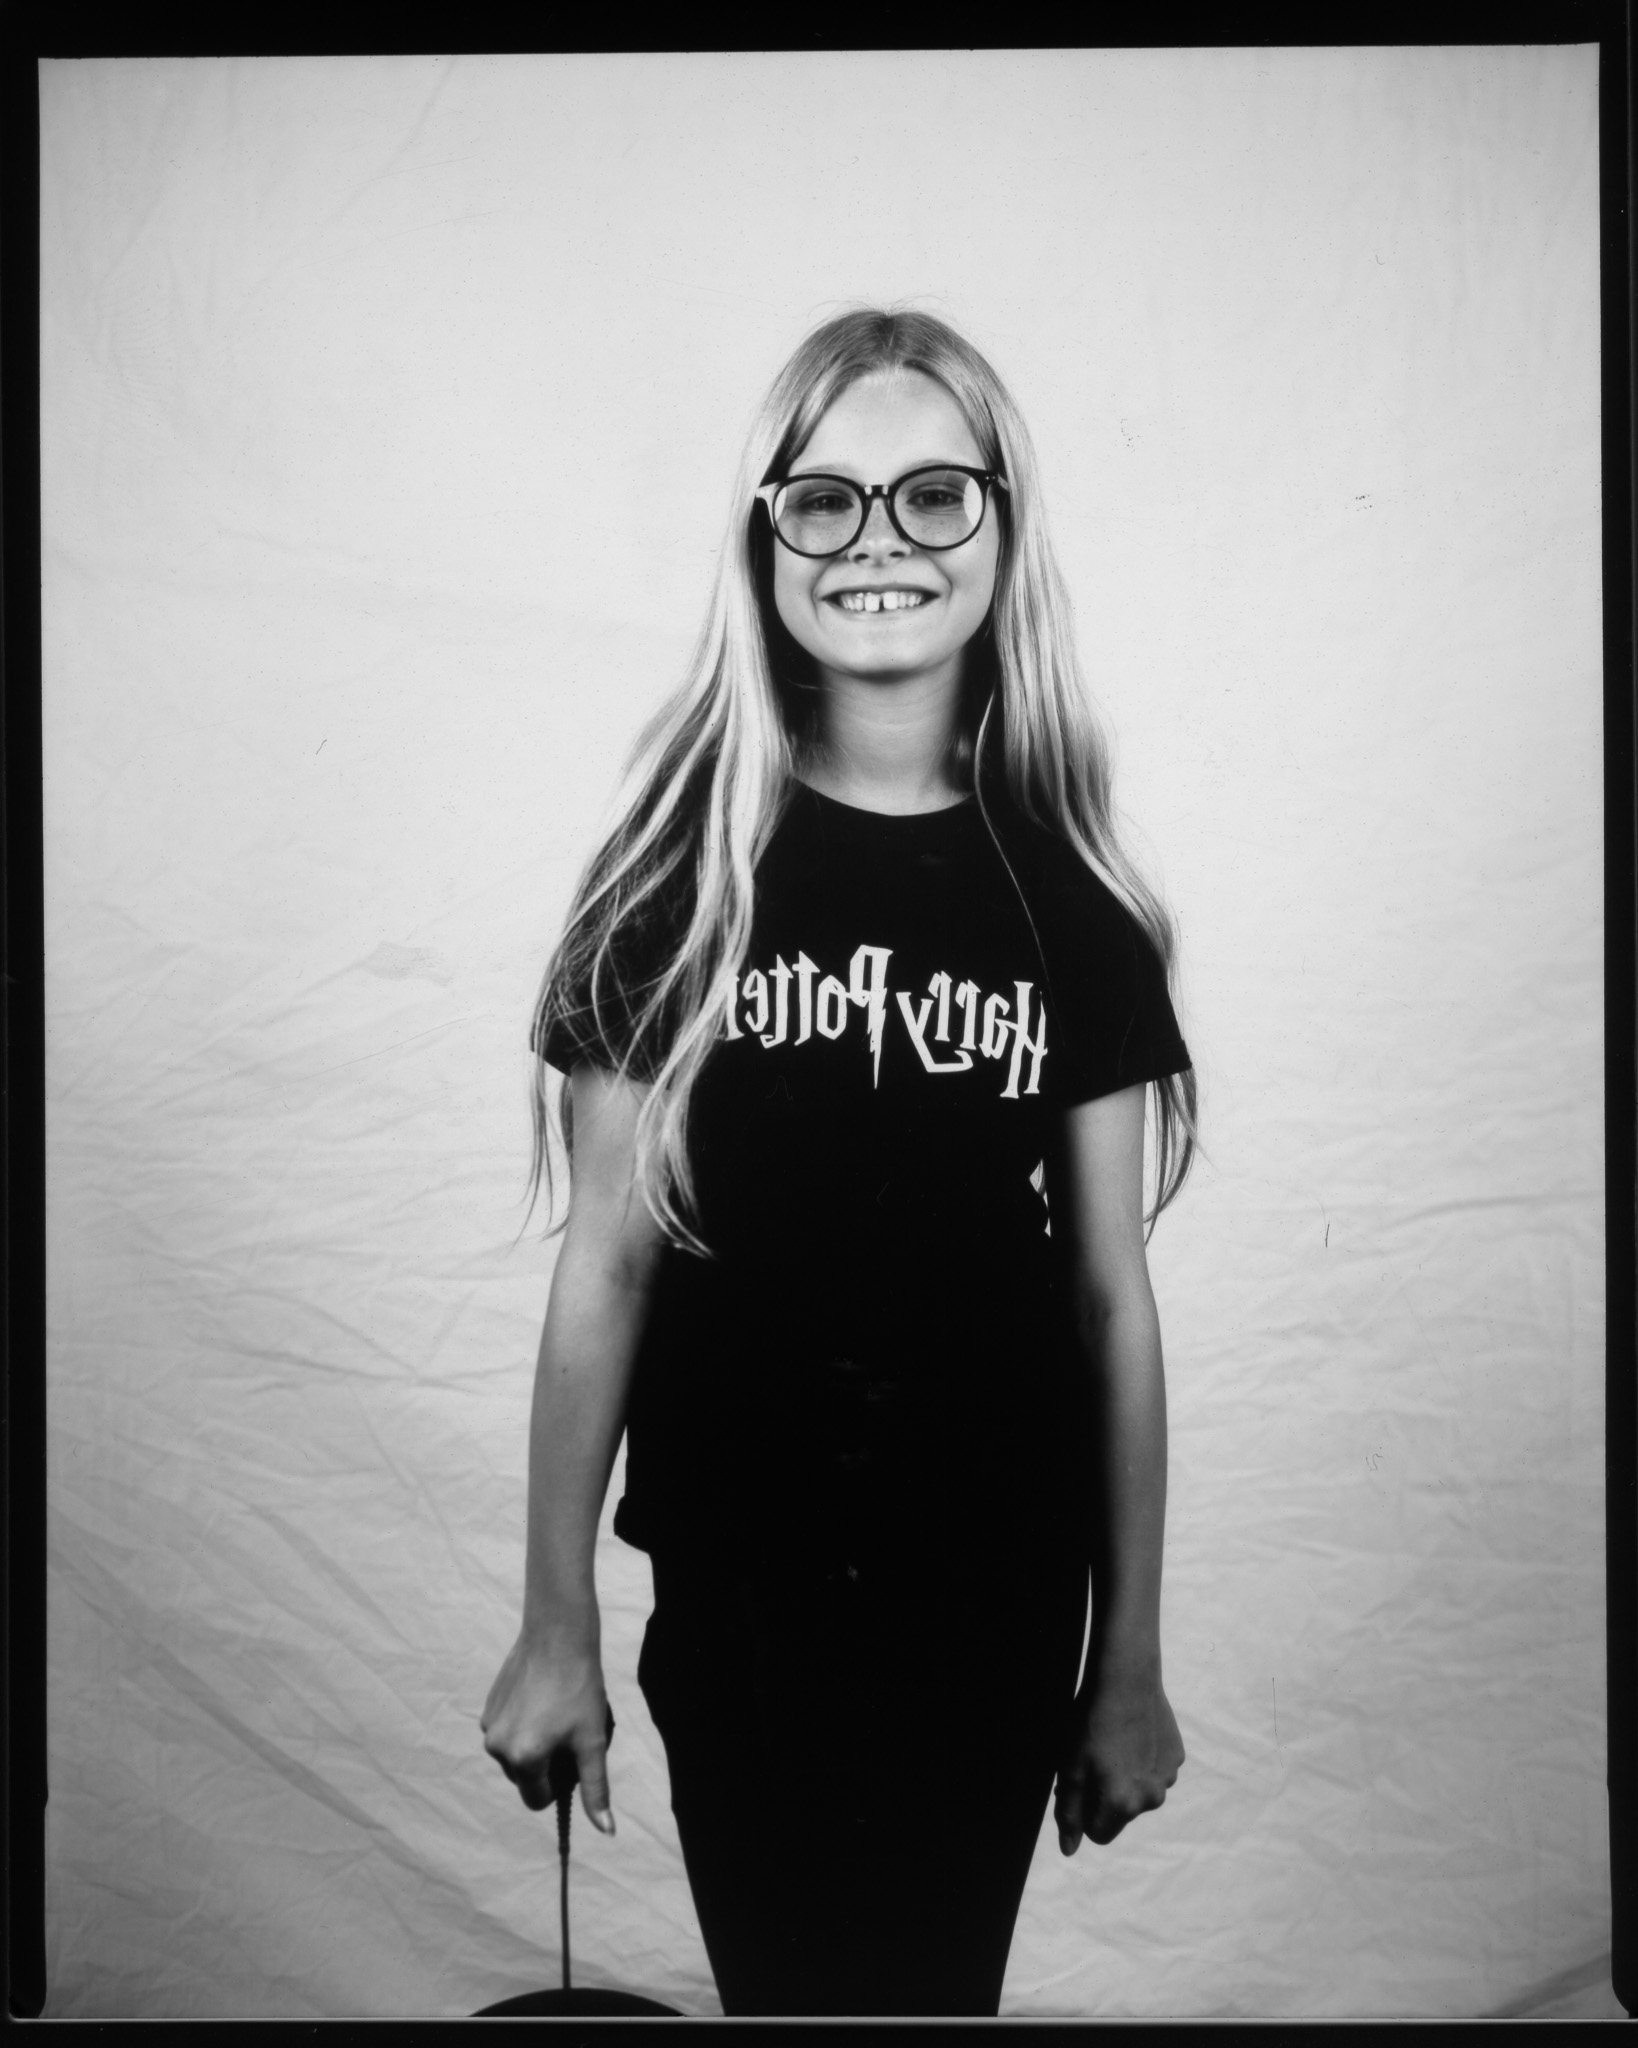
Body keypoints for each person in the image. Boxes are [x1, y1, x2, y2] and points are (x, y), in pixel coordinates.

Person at [480, 307, 1195, 2018]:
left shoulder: (1068, 905)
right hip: (742, 1607)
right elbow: (607, 1263)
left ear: (1004, 529)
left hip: (996, 1603)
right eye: (825, 499)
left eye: (933, 494)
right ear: (763, 537)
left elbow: (1109, 1298)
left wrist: (1132, 1663)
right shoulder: (679, 881)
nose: (878, 540)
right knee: (792, 1995)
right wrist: (555, 1616)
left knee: (929, 1998)